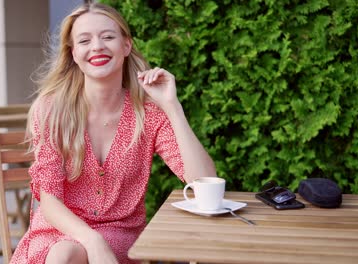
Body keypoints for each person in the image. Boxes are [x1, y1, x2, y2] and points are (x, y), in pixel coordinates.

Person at [12, 2, 217, 263]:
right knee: (65, 252)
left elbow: (204, 183)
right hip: (57, 231)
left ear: (126, 46)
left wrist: (172, 107)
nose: (97, 46)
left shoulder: (147, 113)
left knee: (69, 254)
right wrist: (91, 239)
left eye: (108, 37)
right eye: (85, 40)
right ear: (74, 53)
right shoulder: (52, 110)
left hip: (119, 233)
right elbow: (50, 202)